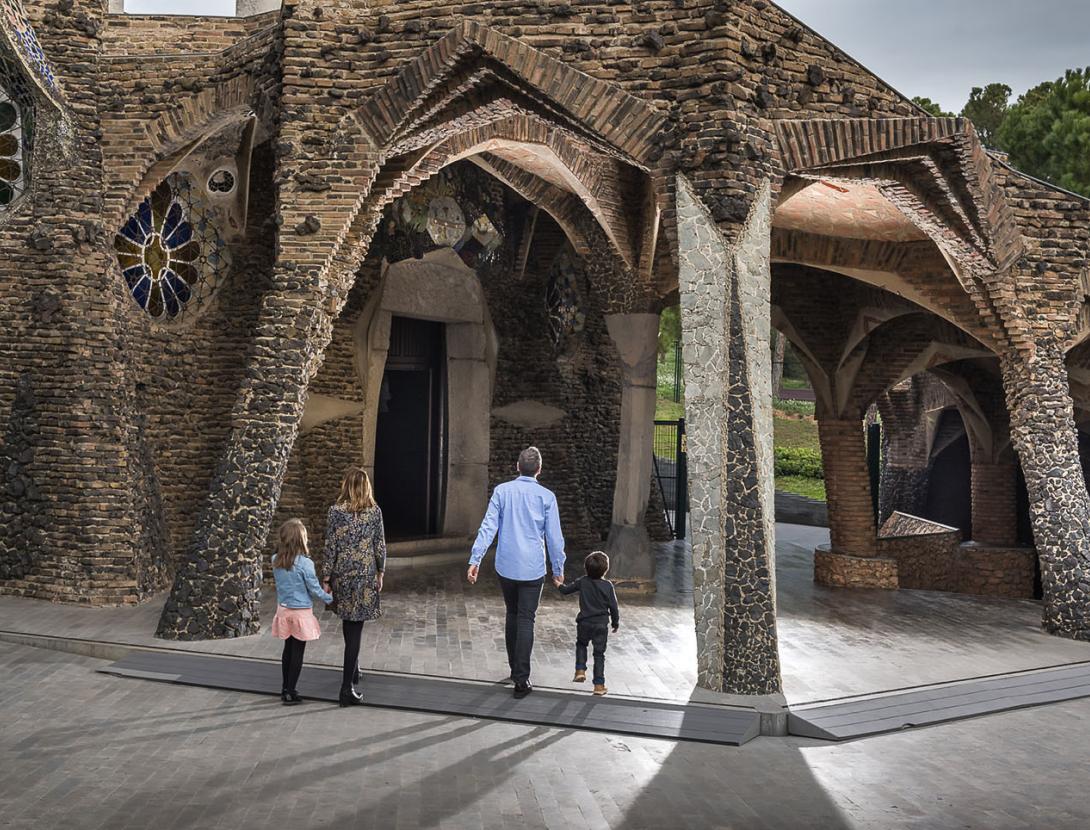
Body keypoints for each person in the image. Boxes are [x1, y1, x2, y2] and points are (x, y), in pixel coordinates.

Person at [467, 446, 566, 699]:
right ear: (539, 470)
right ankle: (521, 679)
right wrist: (558, 568)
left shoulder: (502, 492)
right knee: (526, 619)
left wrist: (475, 559)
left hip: (507, 566)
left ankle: (514, 669)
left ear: (517, 466)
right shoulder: (547, 497)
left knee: (512, 614)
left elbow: (488, 526)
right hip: (533, 569)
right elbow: (555, 538)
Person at [322, 467, 386, 707]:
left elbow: (330, 546)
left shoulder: (335, 512)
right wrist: (381, 572)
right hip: (365, 576)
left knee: (349, 623)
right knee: (355, 627)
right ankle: (346, 687)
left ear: (346, 485)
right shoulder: (374, 512)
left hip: (343, 576)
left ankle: (354, 670)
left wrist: (326, 578)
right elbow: (380, 546)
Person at [270, 518, 333, 706]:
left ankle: (284, 688)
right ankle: (291, 691)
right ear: (301, 540)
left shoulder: (275, 560)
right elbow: (314, 589)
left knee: (287, 650)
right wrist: (330, 597)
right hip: (300, 613)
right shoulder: (306, 563)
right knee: (297, 652)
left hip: (283, 611)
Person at [557, 550, 620, 697]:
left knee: (581, 645)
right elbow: (613, 606)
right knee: (599, 654)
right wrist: (615, 622)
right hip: (601, 625)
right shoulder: (608, 586)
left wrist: (558, 584)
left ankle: (580, 670)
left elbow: (566, 590)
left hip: (584, 622)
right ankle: (599, 685)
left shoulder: (582, 582)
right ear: (606, 569)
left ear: (586, 568)